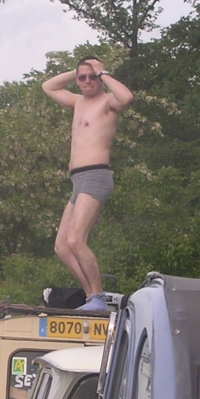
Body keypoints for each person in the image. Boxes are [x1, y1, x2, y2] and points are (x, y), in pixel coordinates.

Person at [42, 56, 134, 312]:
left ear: (100, 78)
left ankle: (98, 298)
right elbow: (48, 87)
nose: (86, 82)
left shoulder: (108, 102)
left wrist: (102, 71)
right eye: (82, 78)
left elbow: (126, 98)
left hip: (96, 175)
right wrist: (78, 70)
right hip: (78, 180)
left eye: (91, 77)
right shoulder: (77, 102)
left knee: (76, 240)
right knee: (62, 245)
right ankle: (91, 295)